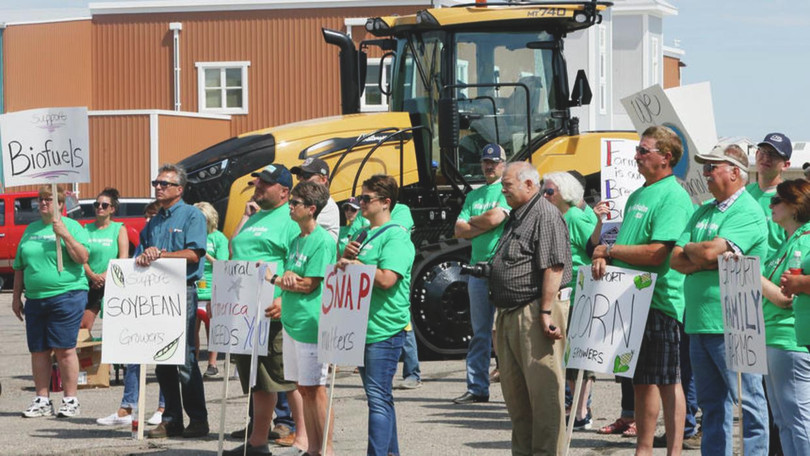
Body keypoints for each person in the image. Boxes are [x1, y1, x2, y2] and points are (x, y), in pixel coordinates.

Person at [591, 126, 693, 456]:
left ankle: (674, 450)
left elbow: (657, 252)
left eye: (643, 151)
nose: (636, 156)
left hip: (660, 300)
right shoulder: (637, 195)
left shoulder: (674, 196)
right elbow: (624, 245)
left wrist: (612, 252)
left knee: (667, 380)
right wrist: (603, 251)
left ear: (666, 158)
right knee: (640, 379)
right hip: (632, 300)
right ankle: (644, 449)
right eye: (637, 150)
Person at [670, 145, 769, 455]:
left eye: (713, 167)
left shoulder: (747, 210)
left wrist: (700, 254)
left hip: (735, 322)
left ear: (735, 172)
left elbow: (708, 252)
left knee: (749, 404)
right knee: (712, 406)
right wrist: (709, 257)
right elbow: (675, 258)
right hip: (700, 322)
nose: (706, 173)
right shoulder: (703, 209)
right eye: (706, 167)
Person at [489, 161, 572, 455]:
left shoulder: (545, 215)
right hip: (512, 313)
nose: (502, 190)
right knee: (516, 399)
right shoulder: (518, 216)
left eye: (507, 185)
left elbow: (554, 266)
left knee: (544, 398)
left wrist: (546, 312)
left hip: (535, 311)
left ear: (528, 184)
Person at [224, 164, 302, 456]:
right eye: (258, 182)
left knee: (287, 377)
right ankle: (258, 442)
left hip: (272, 305)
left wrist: (284, 297)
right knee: (258, 379)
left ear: (284, 192)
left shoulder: (290, 219)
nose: (258, 187)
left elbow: (296, 259)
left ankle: (303, 438)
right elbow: (234, 248)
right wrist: (245, 217)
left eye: (266, 184)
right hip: (245, 308)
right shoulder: (254, 215)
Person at [338, 174, 415, 456]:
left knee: (378, 399)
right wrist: (345, 258)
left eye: (366, 198)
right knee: (381, 398)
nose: (360, 203)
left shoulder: (397, 235)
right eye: (360, 198)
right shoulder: (363, 233)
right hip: (363, 327)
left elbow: (387, 279)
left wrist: (357, 265)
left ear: (385, 202)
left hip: (384, 329)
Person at [137, 163, 210, 439]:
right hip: (157, 292)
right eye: (155, 183)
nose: (158, 187)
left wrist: (160, 256)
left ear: (179, 189)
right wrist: (144, 257)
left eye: (163, 184)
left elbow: (194, 255)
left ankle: (198, 420)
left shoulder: (193, 216)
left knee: (185, 359)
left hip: (182, 290)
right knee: (163, 358)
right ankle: (171, 419)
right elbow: (143, 253)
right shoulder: (154, 221)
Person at [268, 181, 337, 456]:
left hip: (312, 324)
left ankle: (326, 449)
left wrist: (275, 279)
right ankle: (312, 448)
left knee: (316, 390)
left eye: (295, 203)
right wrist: (285, 280)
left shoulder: (321, 241)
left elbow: (308, 284)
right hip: (293, 323)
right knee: (302, 388)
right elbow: (291, 276)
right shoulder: (297, 239)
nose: (290, 206)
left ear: (311, 209)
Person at [13, 185, 90, 419]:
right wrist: (16, 297)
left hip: (66, 294)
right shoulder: (30, 229)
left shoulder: (74, 227)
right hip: (36, 298)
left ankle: (70, 399)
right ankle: (42, 399)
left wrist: (64, 234)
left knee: (64, 348)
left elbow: (83, 258)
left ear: (60, 204)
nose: (43, 203)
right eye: (40, 199)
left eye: (48, 199)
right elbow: (19, 266)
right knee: (38, 350)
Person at [755, 179, 810, 456]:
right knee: (784, 421)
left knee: (798, 420)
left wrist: (749, 274)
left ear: (795, 205)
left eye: (777, 200)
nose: (771, 204)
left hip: (790, 340)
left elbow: (785, 297)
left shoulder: (806, 240)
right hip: (776, 339)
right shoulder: (788, 242)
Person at [452, 143, 509, 405]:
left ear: (503, 163)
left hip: (503, 269)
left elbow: (496, 218)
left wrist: (474, 223)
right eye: (486, 162)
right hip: (476, 270)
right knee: (480, 333)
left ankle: (512, 388)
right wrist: (482, 223)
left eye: (494, 162)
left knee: (508, 333)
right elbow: (458, 231)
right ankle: (477, 387)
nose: (489, 166)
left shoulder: (507, 189)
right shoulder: (474, 196)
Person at [542, 171, 598, 430]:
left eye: (550, 191)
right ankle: (574, 408)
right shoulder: (556, 216)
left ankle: (581, 412)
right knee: (567, 357)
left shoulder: (574, 217)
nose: (545, 195)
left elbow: (593, 248)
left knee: (578, 357)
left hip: (578, 295)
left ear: (564, 194)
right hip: (562, 296)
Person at [82, 187, 128, 330]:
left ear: (112, 209)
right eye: (97, 205)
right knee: (83, 326)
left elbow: (123, 257)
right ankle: (87, 353)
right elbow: (81, 258)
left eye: (104, 205)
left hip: (112, 282)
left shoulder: (119, 229)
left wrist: (104, 276)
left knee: (114, 328)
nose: (100, 208)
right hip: (90, 282)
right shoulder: (85, 229)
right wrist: (92, 276)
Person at [193, 201, 229, 378]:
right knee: (193, 329)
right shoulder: (193, 235)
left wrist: (204, 253)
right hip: (195, 286)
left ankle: (212, 364)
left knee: (212, 327)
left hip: (213, 288)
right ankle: (193, 361)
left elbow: (221, 264)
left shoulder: (219, 238)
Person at [747, 133, 792, 256]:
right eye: (763, 151)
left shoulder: (792, 198)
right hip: (745, 271)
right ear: (756, 154)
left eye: (773, 155)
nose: (766, 158)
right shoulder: (743, 194)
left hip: (775, 273)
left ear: (786, 165)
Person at [290, 157, 340, 241]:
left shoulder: (327, 205)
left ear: (323, 179)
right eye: (299, 175)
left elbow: (290, 226)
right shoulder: (304, 201)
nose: (301, 179)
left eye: (306, 176)